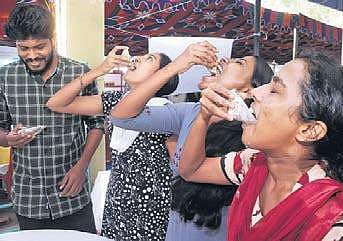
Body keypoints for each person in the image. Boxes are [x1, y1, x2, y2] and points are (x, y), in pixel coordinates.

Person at [179, 52, 343, 240]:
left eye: (274, 90)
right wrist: (203, 117)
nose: (255, 92)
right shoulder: (253, 164)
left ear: (310, 130)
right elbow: (191, 170)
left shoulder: (330, 225)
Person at [46, 43, 214, 240]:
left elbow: (179, 167)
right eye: (142, 55)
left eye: (149, 59)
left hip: (151, 211)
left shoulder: (165, 111)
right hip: (117, 203)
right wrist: (102, 69)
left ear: (160, 77)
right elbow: (56, 103)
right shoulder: (116, 100)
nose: (138, 58)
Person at [110, 44, 274, 241]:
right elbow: (121, 117)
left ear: (250, 90)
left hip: (217, 231)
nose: (226, 61)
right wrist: (175, 66)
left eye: (239, 62)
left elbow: (191, 171)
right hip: (176, 224)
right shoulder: (191, 111)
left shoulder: (253, 131)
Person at [0, 4, 104, 232]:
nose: (32, 55)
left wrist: (82, 166)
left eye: (39, 46)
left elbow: (97, 123)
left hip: (73, 194)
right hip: (29, 198)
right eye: (23, 48)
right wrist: (9, 139)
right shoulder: (5, 77)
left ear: (53, 39)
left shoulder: (78, 72)